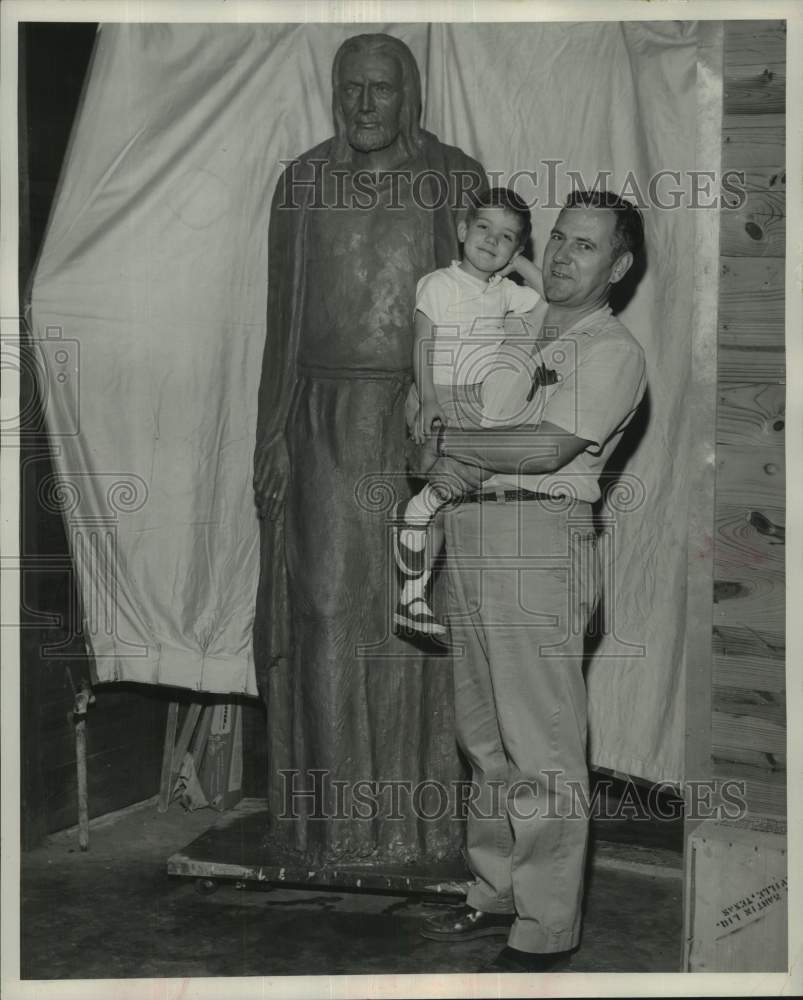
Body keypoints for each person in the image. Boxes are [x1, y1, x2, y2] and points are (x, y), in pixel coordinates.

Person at [252, 33, 485, 865]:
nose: (362, 105)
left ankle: (414, 826)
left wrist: (458, 438)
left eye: (379, 90)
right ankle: (331, 823)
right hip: (319, 415)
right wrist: (272, 433)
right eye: (348, 89)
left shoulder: (453, 179)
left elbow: (478, 323)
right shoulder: (304, 183)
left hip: (412, 421)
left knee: (411, 617)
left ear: (410, 94)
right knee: (320, 609)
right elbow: (281, 323)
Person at [416, 189, 647, 972]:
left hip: (539, 540)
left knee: (541, 742)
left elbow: (546, 450)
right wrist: (440, 424)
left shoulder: (611, 349)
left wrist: (453, 437)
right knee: (483, 739)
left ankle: (547, 928)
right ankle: (496, 892)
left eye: (585, 246)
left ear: (617, 266)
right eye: (557, 239)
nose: (560, 255)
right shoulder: (507, 326)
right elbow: (435, 404)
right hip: (472, 531)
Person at [393, 187, 543, 636]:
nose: (493, 241)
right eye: (484, 228)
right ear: (462, 230)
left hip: (478, 399)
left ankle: (412, 601)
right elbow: (423, 340)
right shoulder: (439, 283)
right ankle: (423, 508)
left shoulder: (504, 292)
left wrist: (520, 265)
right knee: (452, 478)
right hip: (439, 393)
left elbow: (549, 299)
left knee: (449, 496)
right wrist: (430, 397)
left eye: (507, 238)